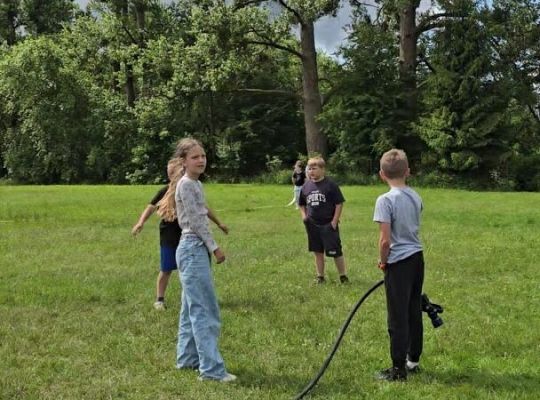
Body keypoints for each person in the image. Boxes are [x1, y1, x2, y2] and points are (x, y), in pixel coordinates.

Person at [158, 137, 235, 382]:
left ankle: (187, 358)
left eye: (202, 156)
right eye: (195, 157)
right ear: (183, 161)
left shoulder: (194, 184)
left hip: (193, 250)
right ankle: (211, 370)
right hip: (193, 248)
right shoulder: (187, 185)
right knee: (205, 310)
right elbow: (196, 221)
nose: (201, 160)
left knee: (190, 307)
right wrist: (215, 248)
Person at [373, 149, 425, 381]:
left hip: (399, 262)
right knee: (414, 309)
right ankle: (413, 359)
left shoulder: (385, 200)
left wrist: (383, 262)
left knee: (397, 316)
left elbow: (385, 240)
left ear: (382, 174)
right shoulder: (415, 196)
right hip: (417, 258)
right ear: (408, 172)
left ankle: (398, 369)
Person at [132, 158, 182, 310]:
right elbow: (150, 207)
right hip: (168, 236)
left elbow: (203, 208)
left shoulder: (188, 189)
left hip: (186, 235)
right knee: (166, 269)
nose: (169, 175)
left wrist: (218, 223)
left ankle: (189, 299)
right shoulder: (164, 191)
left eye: (172, 172)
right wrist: (140, 222)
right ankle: (159, 299)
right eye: (168, 173)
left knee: (186, 269)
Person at [299, 156, 349, 284]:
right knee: (317, 251)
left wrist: (334, 221)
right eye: (309, 169)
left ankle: (343, 276)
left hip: (328, 224)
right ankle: (320, 277)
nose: (311, 171)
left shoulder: (331, 185)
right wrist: (304, 217)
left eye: (314, 168)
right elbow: (301, 203)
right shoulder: (306, 186)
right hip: (313, 225)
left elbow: (339, 203)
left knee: (335, 251)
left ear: (322, 169)